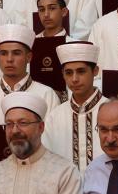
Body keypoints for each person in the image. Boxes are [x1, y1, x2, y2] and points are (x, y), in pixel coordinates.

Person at [0, 24, 59, 168]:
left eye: (16, 53)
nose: (9, 59)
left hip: (36, 172)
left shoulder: (46, 95)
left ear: (29, 57)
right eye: (3, 53)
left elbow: (51, 140)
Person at [42, 41, 107, 172]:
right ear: (63, 74)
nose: (74, 79)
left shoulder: (112, 111)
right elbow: (47, 161)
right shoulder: (55, 116)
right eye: (69, 73)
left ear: (95, 71)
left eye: (81, 71)